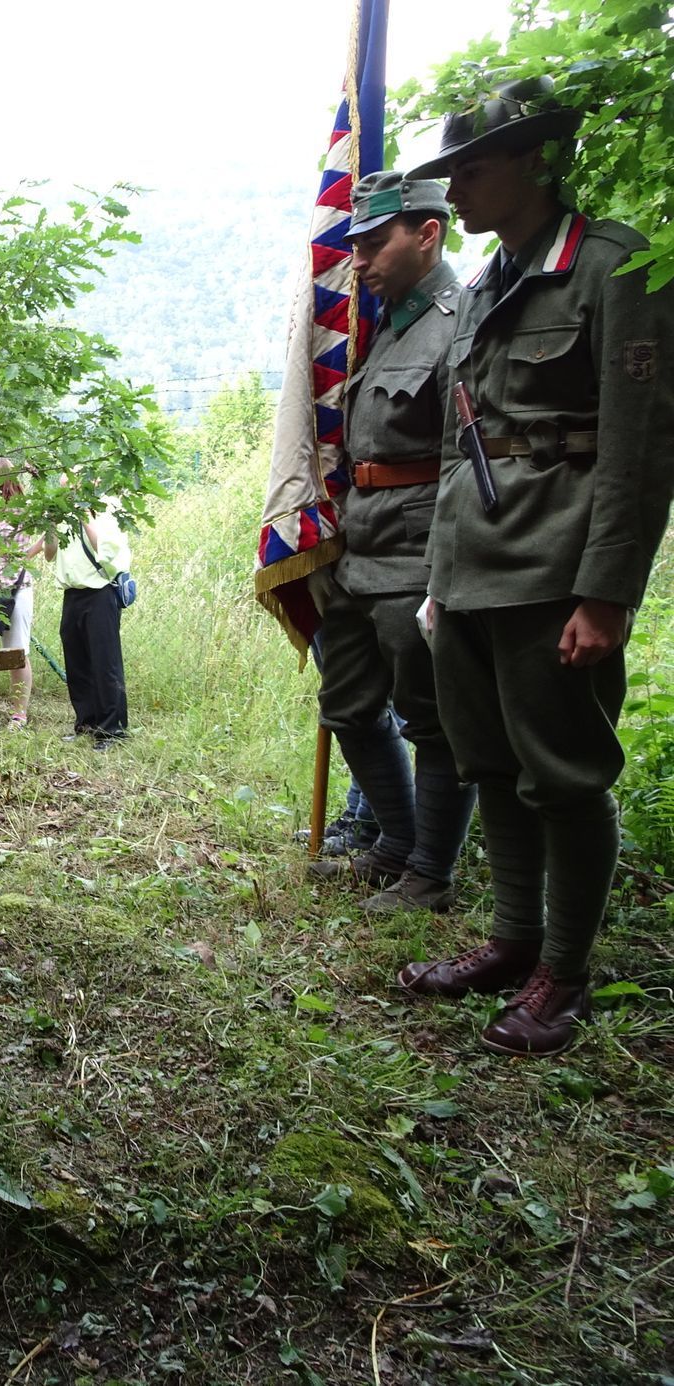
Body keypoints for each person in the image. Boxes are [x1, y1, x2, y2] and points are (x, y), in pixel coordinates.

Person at [399, 76, 674, 1055]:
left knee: (563, 775)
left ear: (533, 162)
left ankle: (566, 968)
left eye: (471, 167)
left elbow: (641, 449)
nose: (456, 189)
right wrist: (437, 580)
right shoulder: (482, 289)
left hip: (557, 569)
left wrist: (606, 593)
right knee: (493, 766)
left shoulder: (615, 268)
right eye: (451, 170)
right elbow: (456, 446)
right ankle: (514, 943)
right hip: (471, 567)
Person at [308, 171, 479, 914]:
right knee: (347, 700)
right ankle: (396, 845)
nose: (361, 261)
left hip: (417, 550)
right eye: (357, 246)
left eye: (376, 243)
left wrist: (448, 567)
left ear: (428, 233)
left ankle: (430, 874)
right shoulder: (378, 332)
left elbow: (466, 460)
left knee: (434, 719)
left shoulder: (461, 322)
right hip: (359, 546)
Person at [0, 459, 55, 732]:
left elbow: (49, 532)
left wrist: (28, 554)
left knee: (17, 653)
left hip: (15, 591)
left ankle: (19, 714)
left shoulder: (24, 509)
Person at [51, 500, 131, 746]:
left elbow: (106, 552)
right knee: (77, 663)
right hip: (72, 594)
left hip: (100, 593)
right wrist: (51, 523)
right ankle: (86, 722)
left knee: (105, 662)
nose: (67, 492)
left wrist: (84, 515)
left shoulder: (108, 510)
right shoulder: (63, 513)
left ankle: (112, 730)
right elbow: (49, 553)